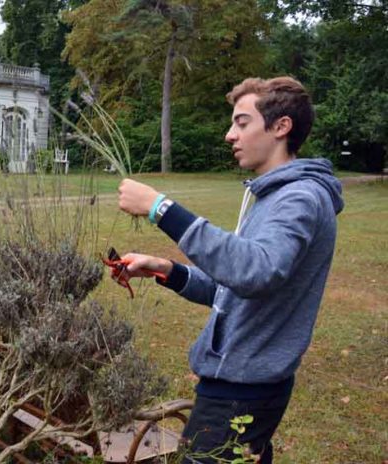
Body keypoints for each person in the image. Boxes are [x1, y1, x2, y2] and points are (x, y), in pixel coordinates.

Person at [115, 77, 343, 463]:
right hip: (240, 382)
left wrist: (161, 208)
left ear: (280, 127)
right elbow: (232, 286)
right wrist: (164, 268)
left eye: (242, 122)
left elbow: (256, 271)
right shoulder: (274, 196)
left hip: (241, 390)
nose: (229, 135)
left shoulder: (300, 197)